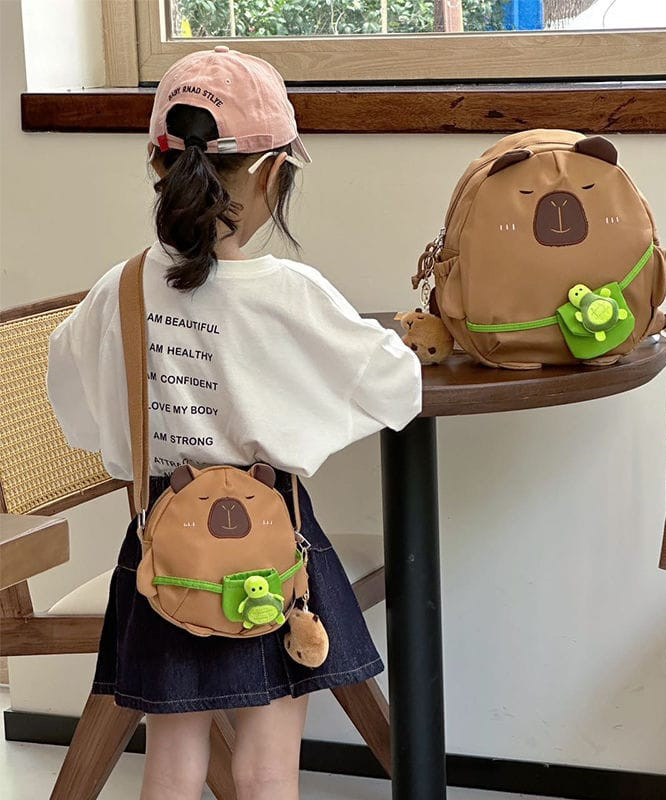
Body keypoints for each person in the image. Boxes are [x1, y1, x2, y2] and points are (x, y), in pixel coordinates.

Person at [46, 46, 421, 800]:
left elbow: (73, 401)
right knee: (266, 768)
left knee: (172, 758)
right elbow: (398, 388)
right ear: (275, 172)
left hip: (162, 541)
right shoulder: (290, 293)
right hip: (273, 536)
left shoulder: (119, 290)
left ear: (157, 165)